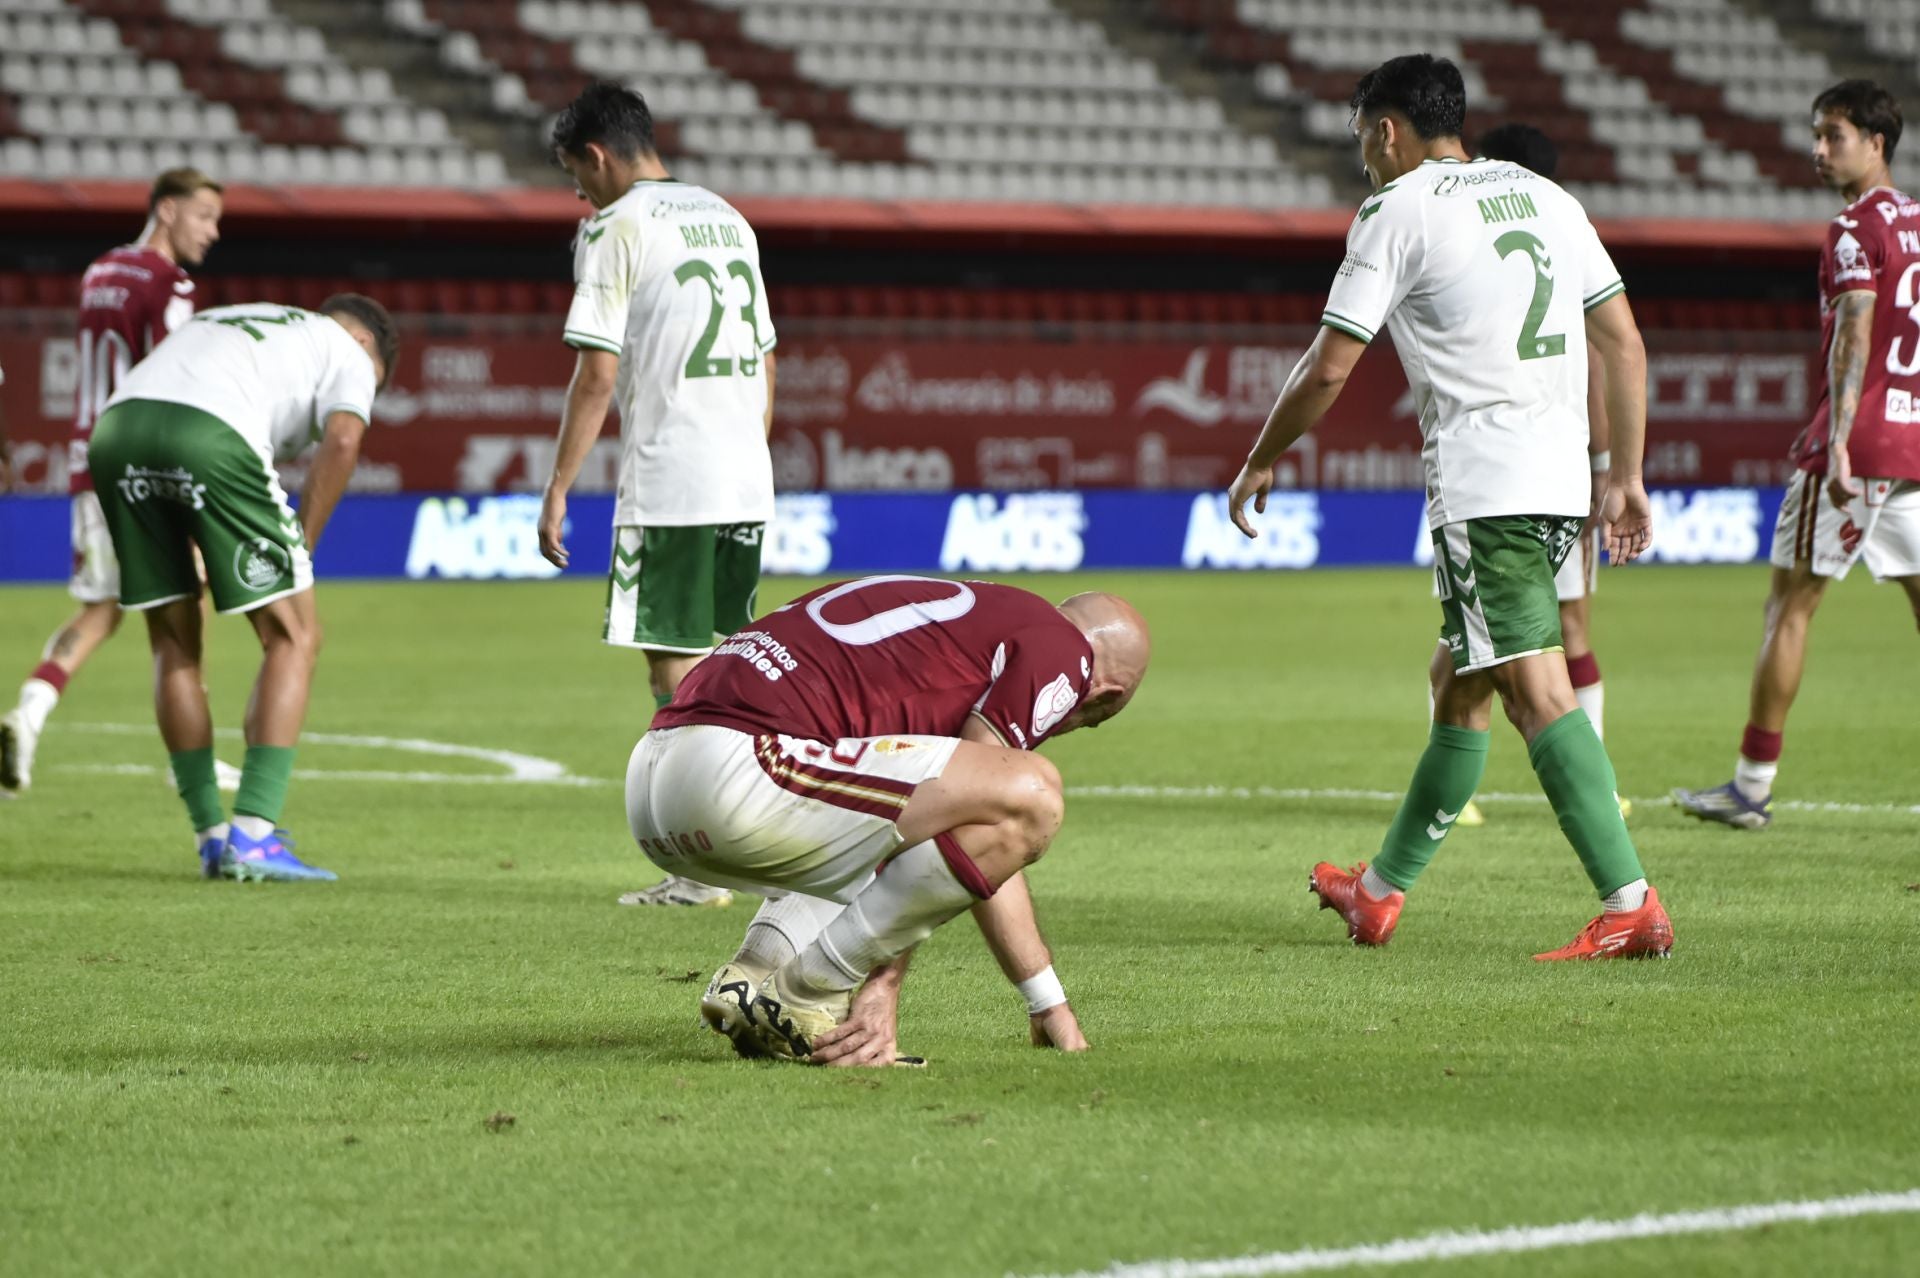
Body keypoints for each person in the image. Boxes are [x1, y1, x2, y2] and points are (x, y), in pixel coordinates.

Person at [1226, 54, 1672, 960]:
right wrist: (1624, 474)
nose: (1363, 156)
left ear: (1387, 129)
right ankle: (1377, 894)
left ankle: (1630, 903)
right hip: (1560, 485)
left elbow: (1329, 366)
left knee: (1535, 691)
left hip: (1487, 487)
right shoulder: (1548, 198)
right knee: (1459, 682)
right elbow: (1624, 343)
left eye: (1362, 136)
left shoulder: (1399, 208)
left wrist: (1259, 458)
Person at [628, 575, 1151, 1064]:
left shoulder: (958, 618)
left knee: (881, 822)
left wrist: (1045, 1000)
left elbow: (964, 827)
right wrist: (884, 986)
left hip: (655, 781)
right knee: (1034, 792)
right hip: (743, 772)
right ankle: (808, 992)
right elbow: (985, 810)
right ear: (1107, 696)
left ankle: (749, 978)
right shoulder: (1063, 649)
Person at [535, 81, 778, 910]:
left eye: (576, 174)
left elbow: (596, 373)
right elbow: (767, 358)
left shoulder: (615, 226)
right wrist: (747, 448)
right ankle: (755, 840)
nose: (579, 194)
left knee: (674, 666)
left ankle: (706, 864)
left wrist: (558, 487)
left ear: (598, 156)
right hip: (744, 474)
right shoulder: (729, 217)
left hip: (675, 475)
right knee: (724, 660)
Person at [1675, 82, 1920, 830]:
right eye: (1816, 135)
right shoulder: (1917, 224)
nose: (1818, 150)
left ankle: (1751, 788)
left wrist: (1837, 438)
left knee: (1790, 607)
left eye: (1833, 135)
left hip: (1857, 447)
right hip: (1914, 442)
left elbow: (1856, 331)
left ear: (1876, 142)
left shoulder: (1853, 229)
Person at [86, 296, 399, 880]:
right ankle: (253, 835)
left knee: (172, 640)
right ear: (365, 345)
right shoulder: (350, 350)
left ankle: (210, 837)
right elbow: (342, 441)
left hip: (117, 431)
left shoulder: (243, 318)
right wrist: (302, 546)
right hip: (211, 432)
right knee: (295, 636)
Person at [2, 169, 224, 796]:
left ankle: (29, 713)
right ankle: (193, 759)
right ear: (168, 210)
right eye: (205, 216)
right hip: (146, 465)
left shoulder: (99, 272)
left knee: (101, 609)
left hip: (90, 459)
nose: (212, 232)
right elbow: (175, 382)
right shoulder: (170, 283)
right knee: (185, 605)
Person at [1436, 123, 1627, 827]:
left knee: (1501, 658)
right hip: (1553, 476)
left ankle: (1598, 820)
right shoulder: (1563, 225)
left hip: (1497, 477)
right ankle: (1441, 814)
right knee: (1481, 652)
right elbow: (1614, 352)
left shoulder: (1480, 238)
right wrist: (1609, 471)